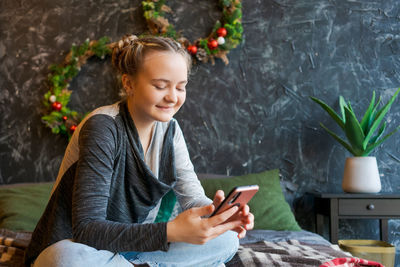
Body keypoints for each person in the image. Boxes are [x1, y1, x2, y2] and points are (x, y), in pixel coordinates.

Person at [24, 35, 254, 267]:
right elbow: (87, 229)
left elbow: (193, 199)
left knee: (227, 240)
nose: (172, 97)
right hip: (79, 247)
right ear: (128, 84)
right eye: (160, 86)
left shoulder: (171, 131)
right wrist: (169, 232)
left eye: (181, 87)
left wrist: (219, 218)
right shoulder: (103, 127)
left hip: (132, 249)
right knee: (64, 259)